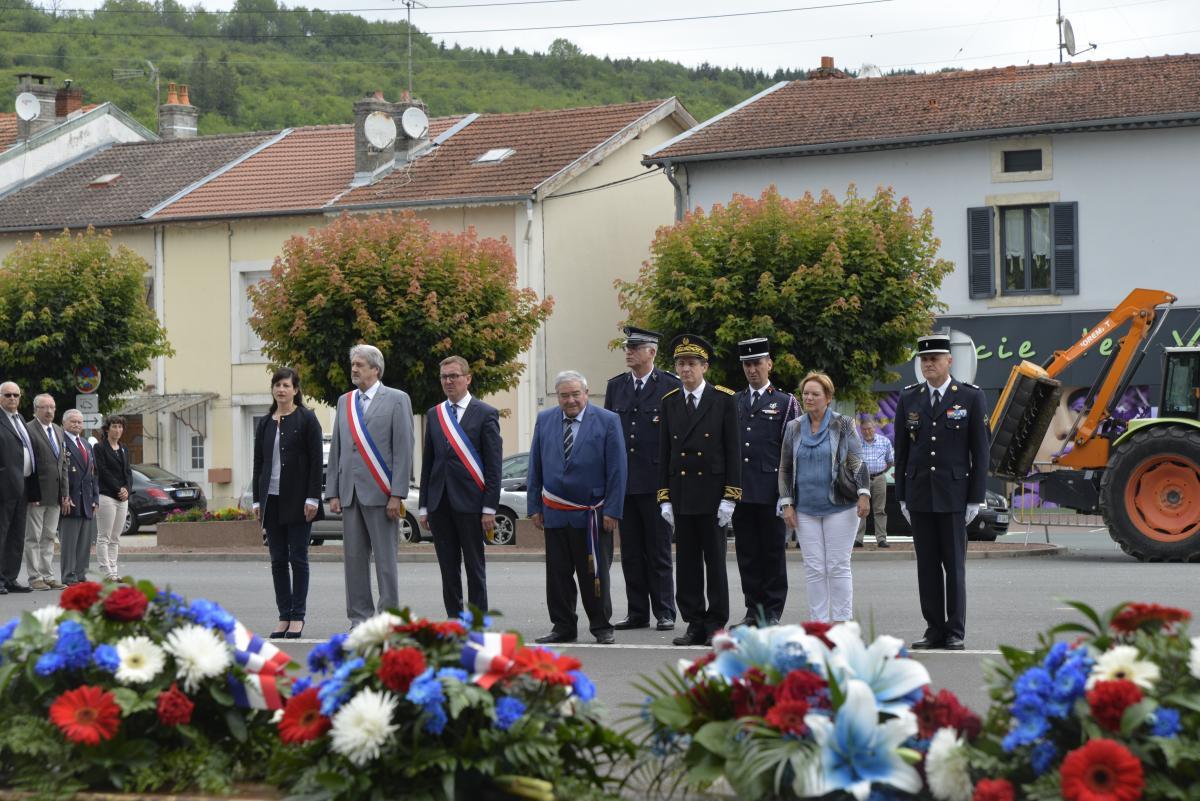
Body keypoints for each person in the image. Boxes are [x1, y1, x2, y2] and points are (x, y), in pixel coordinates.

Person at [893, 332, 989, 651]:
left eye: (934, 358)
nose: (929, 364)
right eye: (924, 359)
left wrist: (975, 497)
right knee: (927, 567)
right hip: (920, 494)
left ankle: (955, 630)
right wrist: (902, 495)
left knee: (954, 567)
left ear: (949, 360)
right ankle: (934, 627)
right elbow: (902, 450)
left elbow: (981, 451)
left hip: (954, 495)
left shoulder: (970, 397)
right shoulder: (909, 398)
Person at [528, 370, 626, 645]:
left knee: (594, 574)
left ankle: (601, 625)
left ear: (586, 393)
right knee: (557, 575)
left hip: (593, 514)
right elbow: (535, 465)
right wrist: (534, 505)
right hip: (555, 512)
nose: (570, 400)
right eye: (564, 395)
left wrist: (613, 511)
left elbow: (617, 470)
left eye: (575, 394)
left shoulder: (608, 421)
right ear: (557, 397)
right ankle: (563, 626)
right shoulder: (545, 419)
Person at [657, 334, 741, 646]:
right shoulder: (670, 402)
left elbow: (733, 451)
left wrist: (730, 496)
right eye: (681, 363)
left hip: (713, 494)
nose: (686, 369)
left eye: (692, 363)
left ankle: (716, 623)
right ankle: (694, 621)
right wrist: (664, 497)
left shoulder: (723, 400)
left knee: (715, 563)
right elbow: (664, 453)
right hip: (682, 493)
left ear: (704, 366)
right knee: (687, 563)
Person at [326, 344, 415, 626]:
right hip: (350, 493)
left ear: (376, 369)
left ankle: (388, 619)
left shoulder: (397, 399)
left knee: (386, 563)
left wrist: (397, 494)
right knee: (353, 562)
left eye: (360, 364)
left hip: (382, 493)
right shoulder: (345, 402)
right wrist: (333, 492)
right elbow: (338, 449)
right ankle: (359, 619)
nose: (354, 369)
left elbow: (403, 449)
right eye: (353, 364)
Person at [604, 326, 680, 632]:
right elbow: (610, 435)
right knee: (631, 551)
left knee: (658, 549)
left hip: (656, 482)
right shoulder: (616, 386)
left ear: (651, 352)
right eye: (627, 347)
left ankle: (665, 610)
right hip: (625, 483)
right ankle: (637, 612)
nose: (628, 352)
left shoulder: (669, 385)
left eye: (635, 347)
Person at [778, 372, 870, 623]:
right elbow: (785, 467)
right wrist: (786, 503)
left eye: (815, 394)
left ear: (827, 398)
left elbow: (857, 461)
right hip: (805, 509)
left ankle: (841, 623)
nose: (809, 397)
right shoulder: (794, 427)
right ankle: (818, 623)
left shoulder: (843, 424)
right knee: (814, 568)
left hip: (840, 506)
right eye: (806, 393)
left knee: (838, 565)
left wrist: (864, 493)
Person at [419, 356, 502, 618]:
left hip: (472, 504)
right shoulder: (435, 414)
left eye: (454, 376)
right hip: (440, 503)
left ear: (468, 378)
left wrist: (489, 507)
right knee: (448, 568)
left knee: (475, 568)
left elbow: (493, 465)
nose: (448, 381)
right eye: (444, 377)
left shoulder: (486, 413)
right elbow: (428, 463)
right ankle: (454, 620)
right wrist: (424, 505)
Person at [732, 337, 799, 627]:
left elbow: (792, 451)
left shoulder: (785, 403)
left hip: (771, 491)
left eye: (757, 363)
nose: (752, 369)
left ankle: (771, 611)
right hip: (742, 491)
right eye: (747, 364)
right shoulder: (734, 401)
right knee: (747, 555)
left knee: (772, 554)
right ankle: (753, 610)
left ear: (769, 364)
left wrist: (788, 496)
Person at [253, 368, 324, 639]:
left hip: (299, 500)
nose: (281, 390)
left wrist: (312, 498)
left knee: (298, 558)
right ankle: (283, 615)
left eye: (286, 385)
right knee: (278, 560)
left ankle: (298, 616)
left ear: (295, 390)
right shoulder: (265, 423)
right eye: (277, 385)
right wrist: (257, 500)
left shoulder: (307, 419)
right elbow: (258, 463)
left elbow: (317, 462)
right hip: (271, 499)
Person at [24, 393, 69, 590]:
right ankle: (35, 577)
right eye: (45, 407)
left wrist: (65, 493)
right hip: (36, 495)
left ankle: (48, 575)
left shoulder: (58, 430)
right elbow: (26, 465)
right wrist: (30, 492)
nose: (49, 411)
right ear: (36, 409)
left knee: (49, 536)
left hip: (55, 495)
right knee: (33, 536)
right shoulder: (28, 430)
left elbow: (63, 465)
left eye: (52, 407)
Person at [0, 381, 35, 594]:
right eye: (8, 395)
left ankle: (10, 578)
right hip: (4, 488)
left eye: (16, 395)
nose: (13, 398)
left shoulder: (20, 419)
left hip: (22, 486)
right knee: (1, 534)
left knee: (16, 535)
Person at [59, 409, 98, 586]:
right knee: (70, 542)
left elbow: (92, 473)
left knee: (85, 541)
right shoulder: (61, 442)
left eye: (79, 422)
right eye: (73, 421)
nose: (76, 424)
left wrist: (95, 497)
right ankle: (68, 575)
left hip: (87, 498)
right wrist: (64, 495)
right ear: (64, 423)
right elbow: (60, 472)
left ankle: (81, 573)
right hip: (71, 498)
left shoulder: (86, 444)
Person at [93, 414, 133, 582]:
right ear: (107, 429)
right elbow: (103, 471)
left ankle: (114, 571)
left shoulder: (124, 448)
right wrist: (119, 489)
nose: (118, 430)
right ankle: (106, 572)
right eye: (115, 426)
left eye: (120, 427)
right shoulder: (100, 448)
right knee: (104, 536)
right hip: (107, 496)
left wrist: (127, 490)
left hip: (122, 498)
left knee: (115, 538)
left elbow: (128, 473)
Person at [854, 418, 895, 549]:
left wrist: (881, 472)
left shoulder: (884, 441)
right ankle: (858, 539)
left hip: (879, 477)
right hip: (861, 479)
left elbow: (890, 461)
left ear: (875, 428)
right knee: (861, 509)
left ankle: (881, 539)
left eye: (870, 429)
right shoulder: (856, 443)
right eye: (864, 429)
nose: (867, 432)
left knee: (880, 509)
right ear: (861, 430)